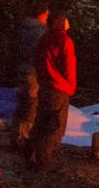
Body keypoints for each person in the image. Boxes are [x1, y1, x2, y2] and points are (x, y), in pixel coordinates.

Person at [26, 11, 75, 170]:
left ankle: (28, 156)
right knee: (55, 127)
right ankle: (42, 161)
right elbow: (69, 66)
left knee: (40, 123)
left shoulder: (43, 38)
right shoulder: (64, 40)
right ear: (61, 22)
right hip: (59, 88)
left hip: (45, 86)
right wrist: (70, 87)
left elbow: (37, 60)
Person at [10, 5, 49, 150]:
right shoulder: (40, 31)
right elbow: (42, 53)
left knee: (22, 103)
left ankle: (15, 136)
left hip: (21, 68)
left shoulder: (22, 28)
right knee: (31, 104)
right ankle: (24, 139)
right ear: (42, 14)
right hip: (33, 71)